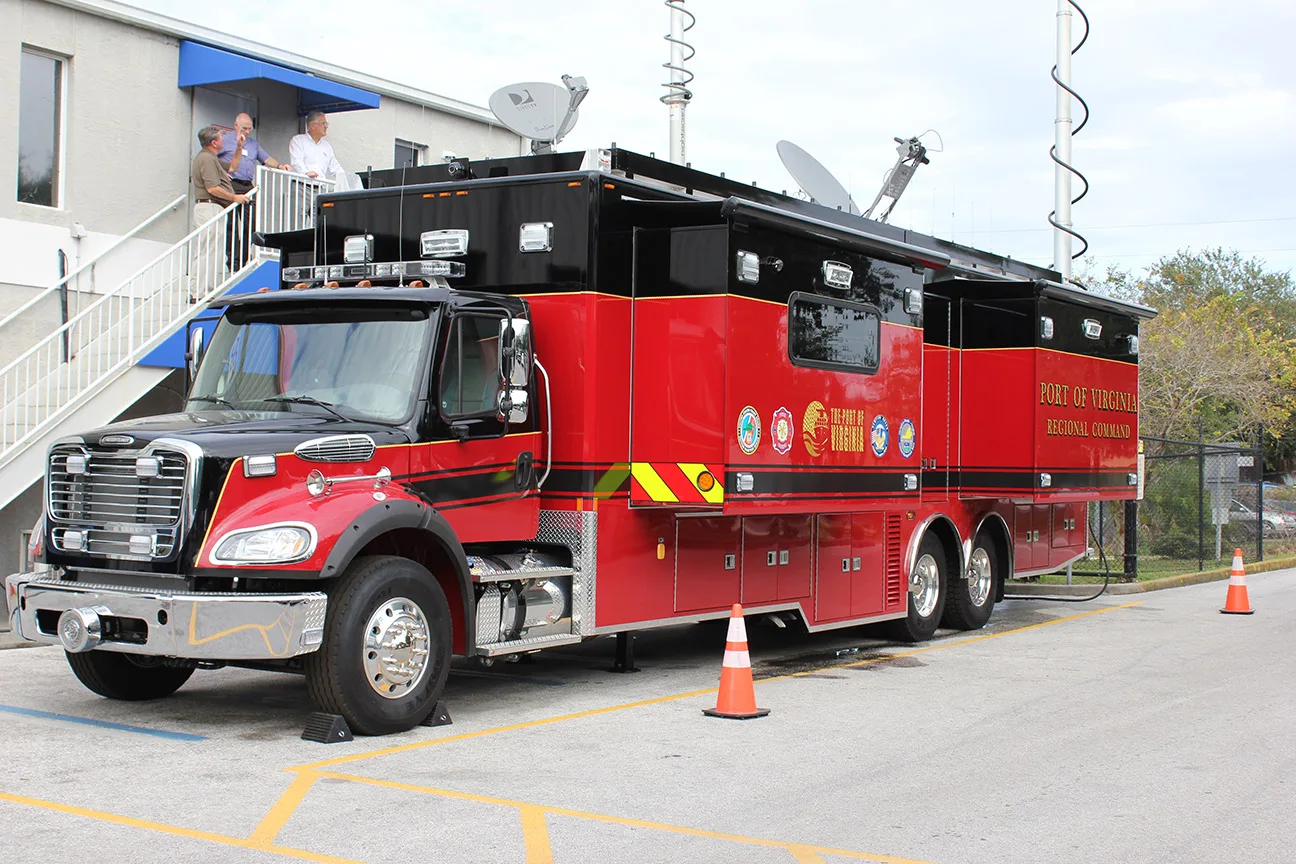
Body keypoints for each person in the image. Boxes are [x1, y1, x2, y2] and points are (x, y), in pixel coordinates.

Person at [190, 125, 249, 298]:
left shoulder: (210, 158)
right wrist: (234, 197)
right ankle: (200, 292)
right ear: (214, 142)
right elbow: (212, 188)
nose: (223, 140)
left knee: (208, 250)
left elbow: (232, 167)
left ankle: (201, 291)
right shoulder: (206, 159)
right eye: (221, 138)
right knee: (208, 251)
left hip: (212, 208)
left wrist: (239, 147)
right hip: (210, 207)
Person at [218, 113, 288, 195]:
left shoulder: (253, 144)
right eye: (244, 128)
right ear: (236, 125)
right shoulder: (225, 140)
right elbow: (211, 158)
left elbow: (266, 159)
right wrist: (220, 174)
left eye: (250, 128)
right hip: (231, 182)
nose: (247, 132)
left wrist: (280, 166)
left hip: (248, 184)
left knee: (252, 205)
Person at [287, 111, 344, 180]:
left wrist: (345, 179)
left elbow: (335, 167)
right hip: (302, 185)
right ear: (313, 126)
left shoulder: (326, 146)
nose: (326, 127)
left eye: (326, 124)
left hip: (320, 187)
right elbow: (296, 162)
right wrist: (306, 173)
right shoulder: (298, 140)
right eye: (323, 123)